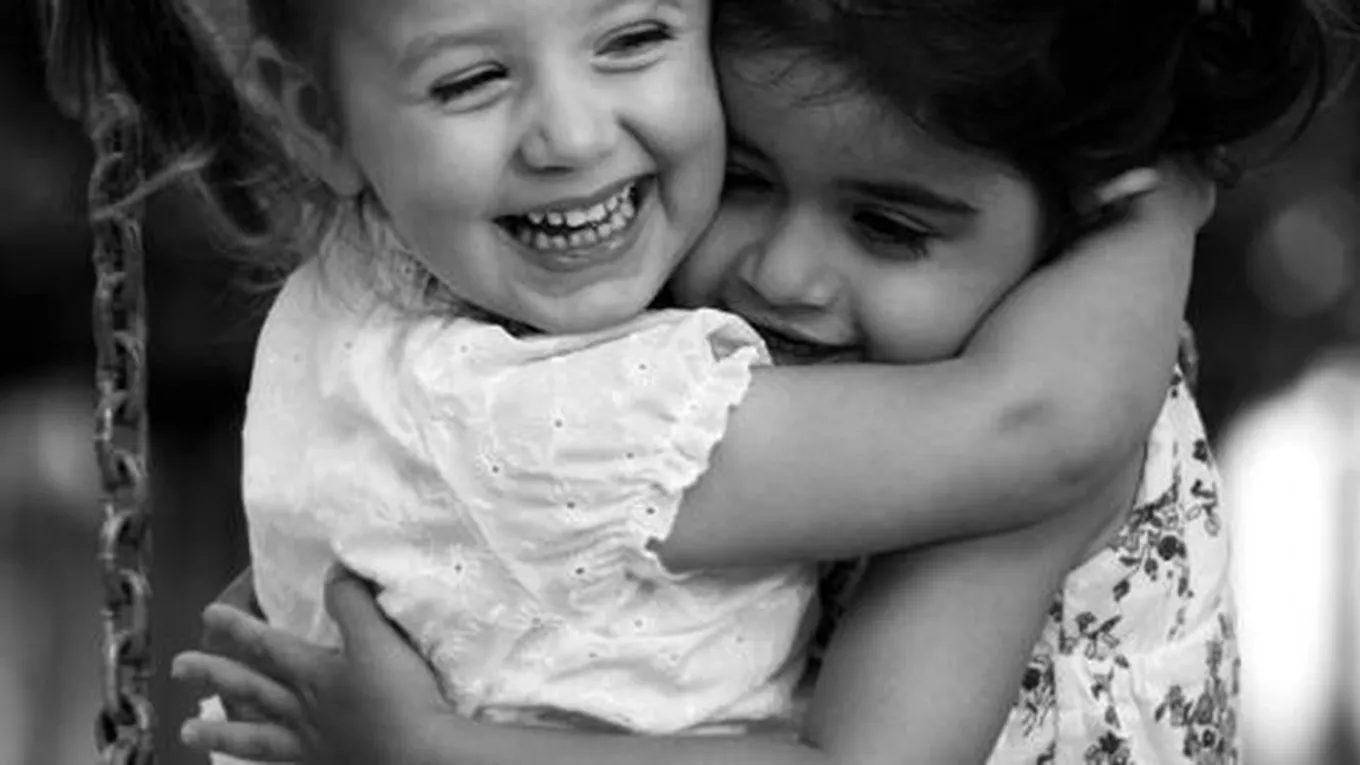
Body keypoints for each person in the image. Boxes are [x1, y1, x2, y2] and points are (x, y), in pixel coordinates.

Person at [50, 0, 1328, 761]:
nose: (781, 274)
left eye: (889, 228)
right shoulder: (593, 374)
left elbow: (1044, 431)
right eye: (751, 179)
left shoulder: (1007, 463)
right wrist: (1167, 202)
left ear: (1066, 240)